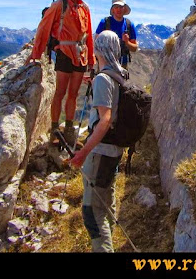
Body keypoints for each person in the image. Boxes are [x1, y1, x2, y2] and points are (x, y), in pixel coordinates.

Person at [70, 30, 128, 252]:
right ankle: (109, 240)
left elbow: (104, 121)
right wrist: (97, 81)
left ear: (100, 49)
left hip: (100, 152)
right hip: (114, 151)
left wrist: (83, 153)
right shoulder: (119, 74)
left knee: (92, 212)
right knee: (106, 199)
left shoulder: (105, 79)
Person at [26, 0, 94, 145]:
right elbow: (44, 28)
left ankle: (69, 130)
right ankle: (55, 131)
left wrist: (91, 61)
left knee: (73, 94)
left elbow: (89, 36)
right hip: (64, 52)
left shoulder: (85, 8)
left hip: (81, 54)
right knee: (60, 93)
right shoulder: (58, 5)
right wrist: (36, 53)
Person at [95, 0, 138, 68]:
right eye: (116, 7)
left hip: (122, 64)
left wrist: (127, 42)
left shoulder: (129, 25)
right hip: (105, 62)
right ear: (113, 10)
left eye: (121, 7)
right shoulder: (104, 22)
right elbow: (96, 44)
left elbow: (134, 48)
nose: (119, 9)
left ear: (124, 9)